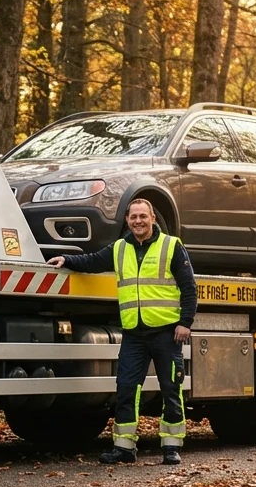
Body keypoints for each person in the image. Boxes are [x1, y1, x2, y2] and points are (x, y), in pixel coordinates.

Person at [47, 198, 197, 465]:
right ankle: (124, 449)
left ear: (153, 218)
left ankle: (171, 447)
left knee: (170, 388)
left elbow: (189, 287)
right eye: (133, 217)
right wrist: (67, 259)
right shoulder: (120, 248)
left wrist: (185, 322)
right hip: (134, 334)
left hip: (166, 332)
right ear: (127, 220)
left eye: (143, 216)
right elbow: (93, 261)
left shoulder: (171, 246)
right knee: (126, 388)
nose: (138, 221)